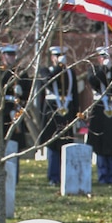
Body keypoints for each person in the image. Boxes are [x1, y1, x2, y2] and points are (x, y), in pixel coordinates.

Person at [37, 45, 78, 185]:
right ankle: (53, 177)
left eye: (62, 55)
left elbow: (75, 95)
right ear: (52, 57)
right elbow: (48, 81)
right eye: (57, 55)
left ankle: (65, 175)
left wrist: (76, 116)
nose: (60, 58)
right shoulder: (45, 71)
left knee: (66, 145)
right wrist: (58, 68)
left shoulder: (70, 73)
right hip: (51, 114)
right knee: (53, 146)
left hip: (67, 113)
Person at [86, 46, 112, 185]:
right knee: (101, 145)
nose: (105, 59)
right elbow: (93, 81)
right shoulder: (94, 71)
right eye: (103, 56)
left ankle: (111, 175)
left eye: (107, 57)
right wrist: (103, 70)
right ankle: (103, 175)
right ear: (99, 58)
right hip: (100, 111)